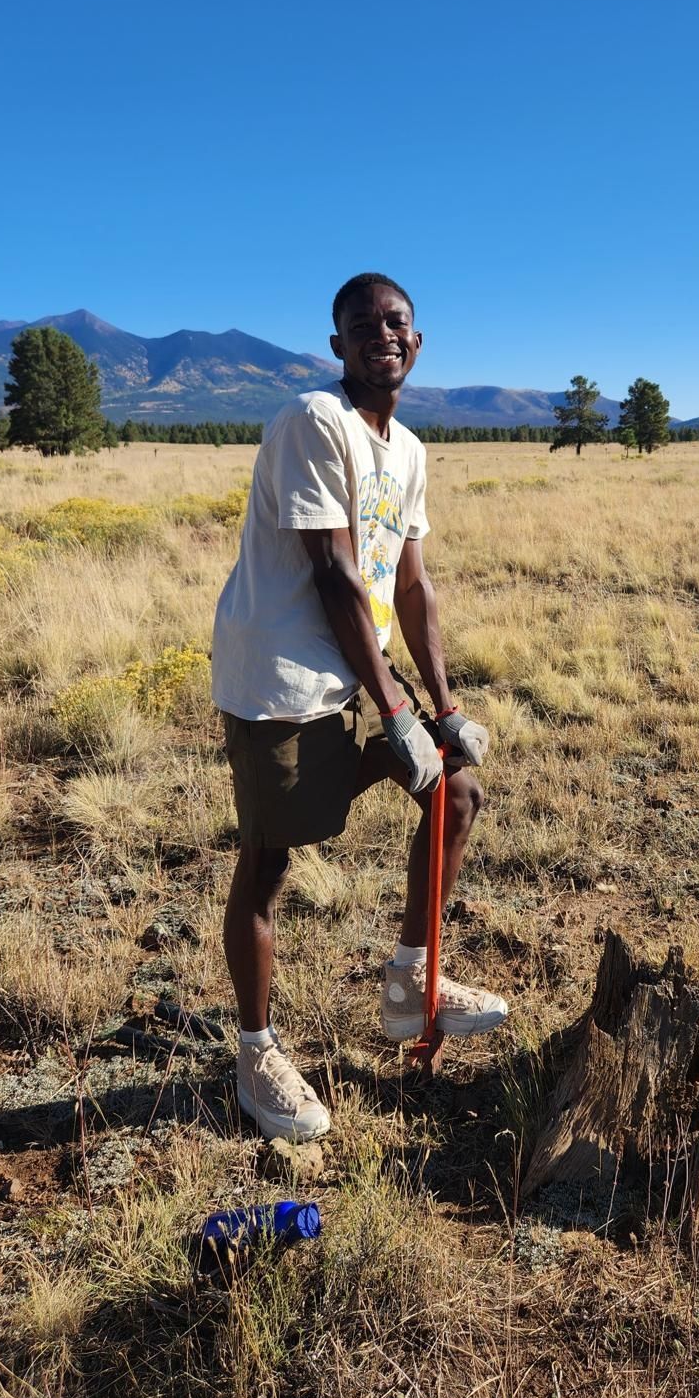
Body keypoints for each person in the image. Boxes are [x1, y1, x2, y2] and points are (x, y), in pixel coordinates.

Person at [211, 273, 507, 1143]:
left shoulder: (408, 450)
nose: (383, 334)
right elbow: (335, 574)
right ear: (336, 345)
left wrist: (442, 711)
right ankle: (255, 1055)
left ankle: (412, 979)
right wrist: (396, 713)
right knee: (268, 868)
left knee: (456, 791)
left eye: (397, 323)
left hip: (356, 677)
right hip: (282, 685)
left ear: (418, 343)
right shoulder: (314, 421)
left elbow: (408, 585)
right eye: (362, 325)